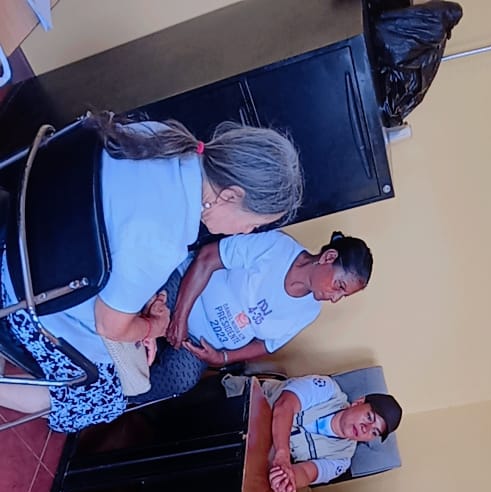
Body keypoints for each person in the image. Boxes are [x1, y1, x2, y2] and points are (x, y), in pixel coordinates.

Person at [0, 113, 303, 432]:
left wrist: (142, 307)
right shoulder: (166, 239)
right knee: (103, 398)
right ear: (230, 196)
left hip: (19, 223)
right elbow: (109, 326)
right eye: (254, 223)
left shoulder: (157, 136)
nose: (247, 232)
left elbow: (117, 234)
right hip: (24, 292)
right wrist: (151, 328)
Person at [129, 229, 374, 404]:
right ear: (328, 257)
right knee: (140, 318)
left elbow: (266, 345)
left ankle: (116, 398)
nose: (335, 298)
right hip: (183, 297)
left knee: (178, 380)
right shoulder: (278, 248)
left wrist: (222, 357)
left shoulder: (310, 310)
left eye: (343, 295)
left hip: (198, 343)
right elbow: (208, 258)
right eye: (339, 286)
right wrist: (180, 318)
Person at [252, 374, 402, 492]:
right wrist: (282, 454)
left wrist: (288, 479)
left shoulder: (342, 459)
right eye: (369, 417)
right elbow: (284, 406)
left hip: (258, 457)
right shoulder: (328, 390)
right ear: (358, 402)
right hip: (251, 406)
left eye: (374, 432)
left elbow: (307, 473)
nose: (366, 428)